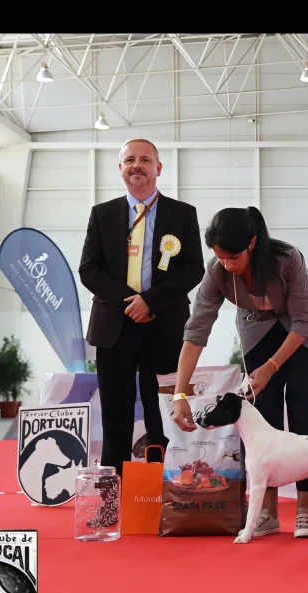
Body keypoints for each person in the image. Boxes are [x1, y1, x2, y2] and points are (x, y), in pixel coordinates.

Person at [170, 206, 308, 539]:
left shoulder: (288, 260)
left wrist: (272, 367)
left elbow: (304, 320)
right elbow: (196, 331)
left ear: (253, 244)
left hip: (307, 333)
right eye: (220, 257)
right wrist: (180, 393)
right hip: (259, 332)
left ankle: (305, 511)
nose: (226, 265)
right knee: (260, 417)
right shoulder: (217, 271)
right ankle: (266, 514)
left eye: (232, 257)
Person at [78, 138, 204, 517]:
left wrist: (152, 300)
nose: (137, 165)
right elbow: (89, 269)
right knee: (115, 417)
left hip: (164, 326)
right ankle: (110, 505)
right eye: (129, 160)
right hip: (114, 327)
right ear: (120, 169)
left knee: (162, 412)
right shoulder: (102, 214)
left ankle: (168, 498)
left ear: (158, 168)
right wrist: (129, 303)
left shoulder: (183, 214)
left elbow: (194, 269)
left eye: (145, 160)